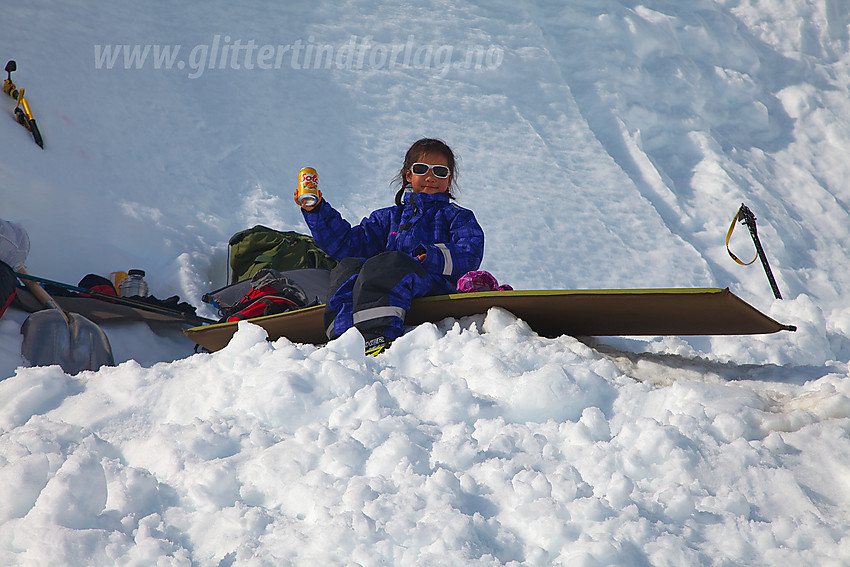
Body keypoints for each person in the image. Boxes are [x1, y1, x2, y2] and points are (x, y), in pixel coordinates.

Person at [294, 138, 485, 355]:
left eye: (440, 172)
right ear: (408, 175)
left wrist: (430, 256)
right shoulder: (387, 218)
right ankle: (343, 339)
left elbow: (470, 254)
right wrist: (317, 211)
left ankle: (377, 335)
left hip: (432, 283)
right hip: (388, 282)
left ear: (449, 180)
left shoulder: (457, 217)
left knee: (390, 262)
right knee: (348, 267)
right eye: (422, 169)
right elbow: (346, 245)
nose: (431, 177)